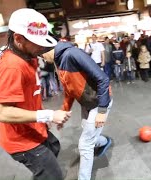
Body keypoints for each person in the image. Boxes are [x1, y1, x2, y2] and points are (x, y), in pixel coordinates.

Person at [0, 8, 71, 180]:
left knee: (54, 147)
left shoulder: (29, 55)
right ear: (18, 39)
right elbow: (2, 112)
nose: (42, 47)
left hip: (34, 129)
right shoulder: (12, 66)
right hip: (21, 140)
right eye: (37, 42)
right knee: (54, 176)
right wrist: (48, 115)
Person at [42, 40, 113, 180]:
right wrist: (64, 112)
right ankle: (105, 142)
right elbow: (69, 91)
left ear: (47, 48)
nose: (41, 57)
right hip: (87, 102)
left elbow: (103, 79)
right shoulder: (58, 61)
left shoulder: (72, 54)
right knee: (89, 134)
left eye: (41, 53)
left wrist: (102, 111)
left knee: (85, 144)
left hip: (99, 102)